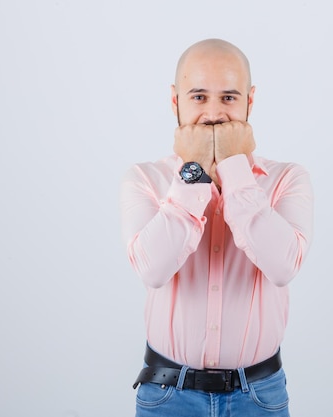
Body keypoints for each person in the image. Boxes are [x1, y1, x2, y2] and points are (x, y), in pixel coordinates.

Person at [120, 38, 314, 417]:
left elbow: (283, 266)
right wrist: (193, 175)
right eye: (198, 97)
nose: (213, 113)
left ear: (249, 102)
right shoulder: (144, 178)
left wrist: (235, 169)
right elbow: (153, 270)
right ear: (175, 101)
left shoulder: (287, 179)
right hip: (167, 395)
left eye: (228, 98)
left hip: (259, 395)